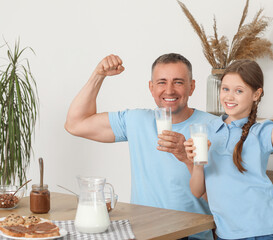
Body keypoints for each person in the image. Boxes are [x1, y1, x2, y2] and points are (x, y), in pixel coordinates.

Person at [65, 53, 217, 240]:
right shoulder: (136, 120)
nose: (169, 90)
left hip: (191, 236)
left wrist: (187, 159)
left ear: (192, 87)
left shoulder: (214, 128)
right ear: (151, 88)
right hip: (143, 234)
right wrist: (99, 75)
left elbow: (225, 203)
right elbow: (75, 124)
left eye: (178, 82)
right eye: (161, 82)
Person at [184, 60, 273, 240]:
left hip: (262, 232)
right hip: (225, 233)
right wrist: (196, 163)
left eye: (239, 91)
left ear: (256, 94)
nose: (229, 97)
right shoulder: (207, 131)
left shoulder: (261, 133)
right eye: (225, 89)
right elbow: (197, 191)